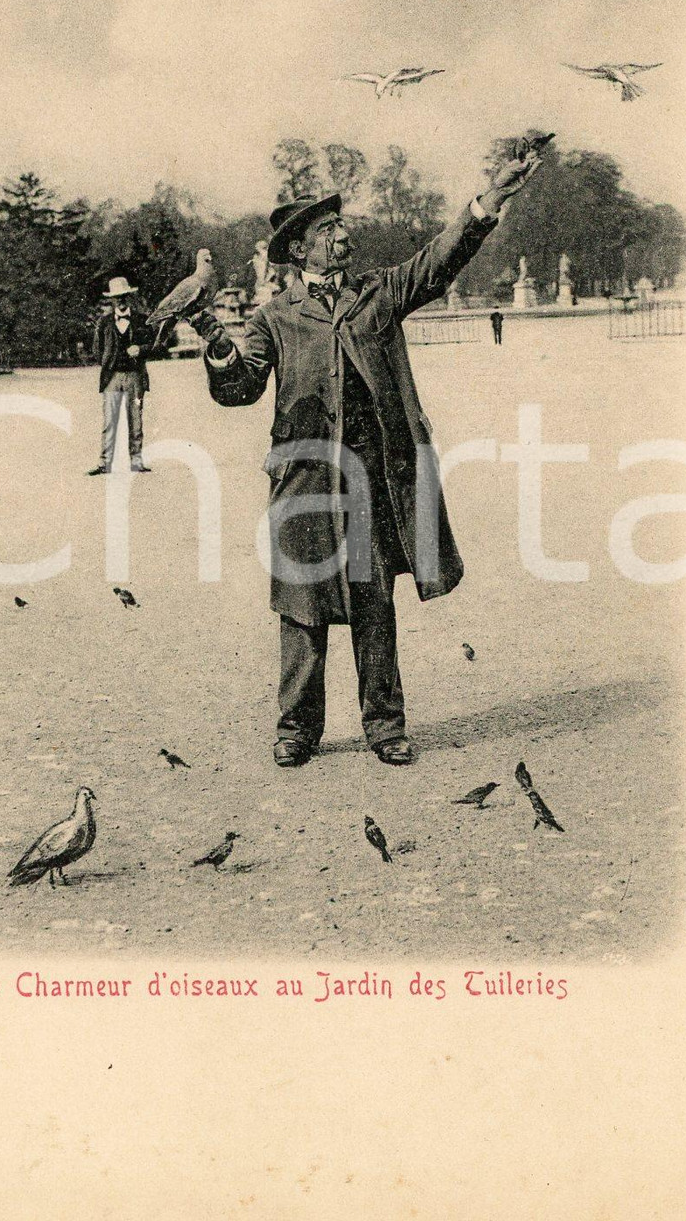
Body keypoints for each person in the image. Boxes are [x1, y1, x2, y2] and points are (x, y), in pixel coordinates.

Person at [190, 149, 543, 768]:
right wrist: (219, 355)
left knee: (373, 597)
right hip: (302, 480)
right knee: (301, 605)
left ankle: (385, 724)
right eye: (328, 231)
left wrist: (490, 200)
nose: (343, 235)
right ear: (299, 250)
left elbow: (439, 261)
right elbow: (240, 389)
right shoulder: (273, 318)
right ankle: (297, 728)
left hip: (372, 478)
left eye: (340, 226)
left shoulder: (379, 295)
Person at [87, 277, 152, 475]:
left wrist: (140, 349)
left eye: (123, 297)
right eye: (117, 298)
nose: (121, 301)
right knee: (109, 421)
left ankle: (136, 461)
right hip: (112, 377)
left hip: (135, 376)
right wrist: (108, 362)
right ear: (112, 300)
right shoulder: (104, 323)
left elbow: (154, 345)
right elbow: (97, 350)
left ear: (129, 297)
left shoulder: (141, 320)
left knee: (136, 420)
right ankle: (105, 462)